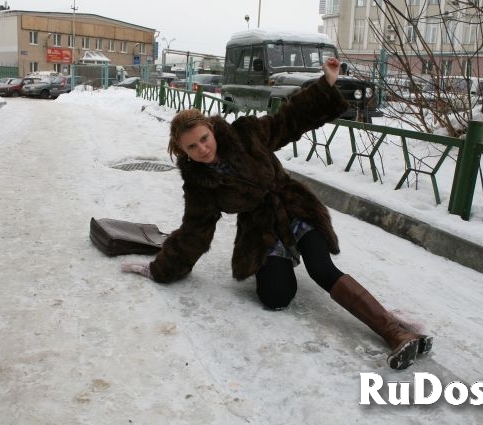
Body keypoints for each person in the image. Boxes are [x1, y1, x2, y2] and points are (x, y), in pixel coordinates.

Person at [123, 57, 433, 370]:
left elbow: (290, 119)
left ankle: (394, 331)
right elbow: (195, 230)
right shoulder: (199, 183)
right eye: (192, 147)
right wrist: (161, 269)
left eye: (204, 138)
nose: (202, 149)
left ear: (212, 129)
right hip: (259, 228)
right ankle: (287, 264)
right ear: (182, 151)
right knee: (276, 297)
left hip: (294, 207)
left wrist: (326, 83)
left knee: (321, 269)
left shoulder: (246, 134)